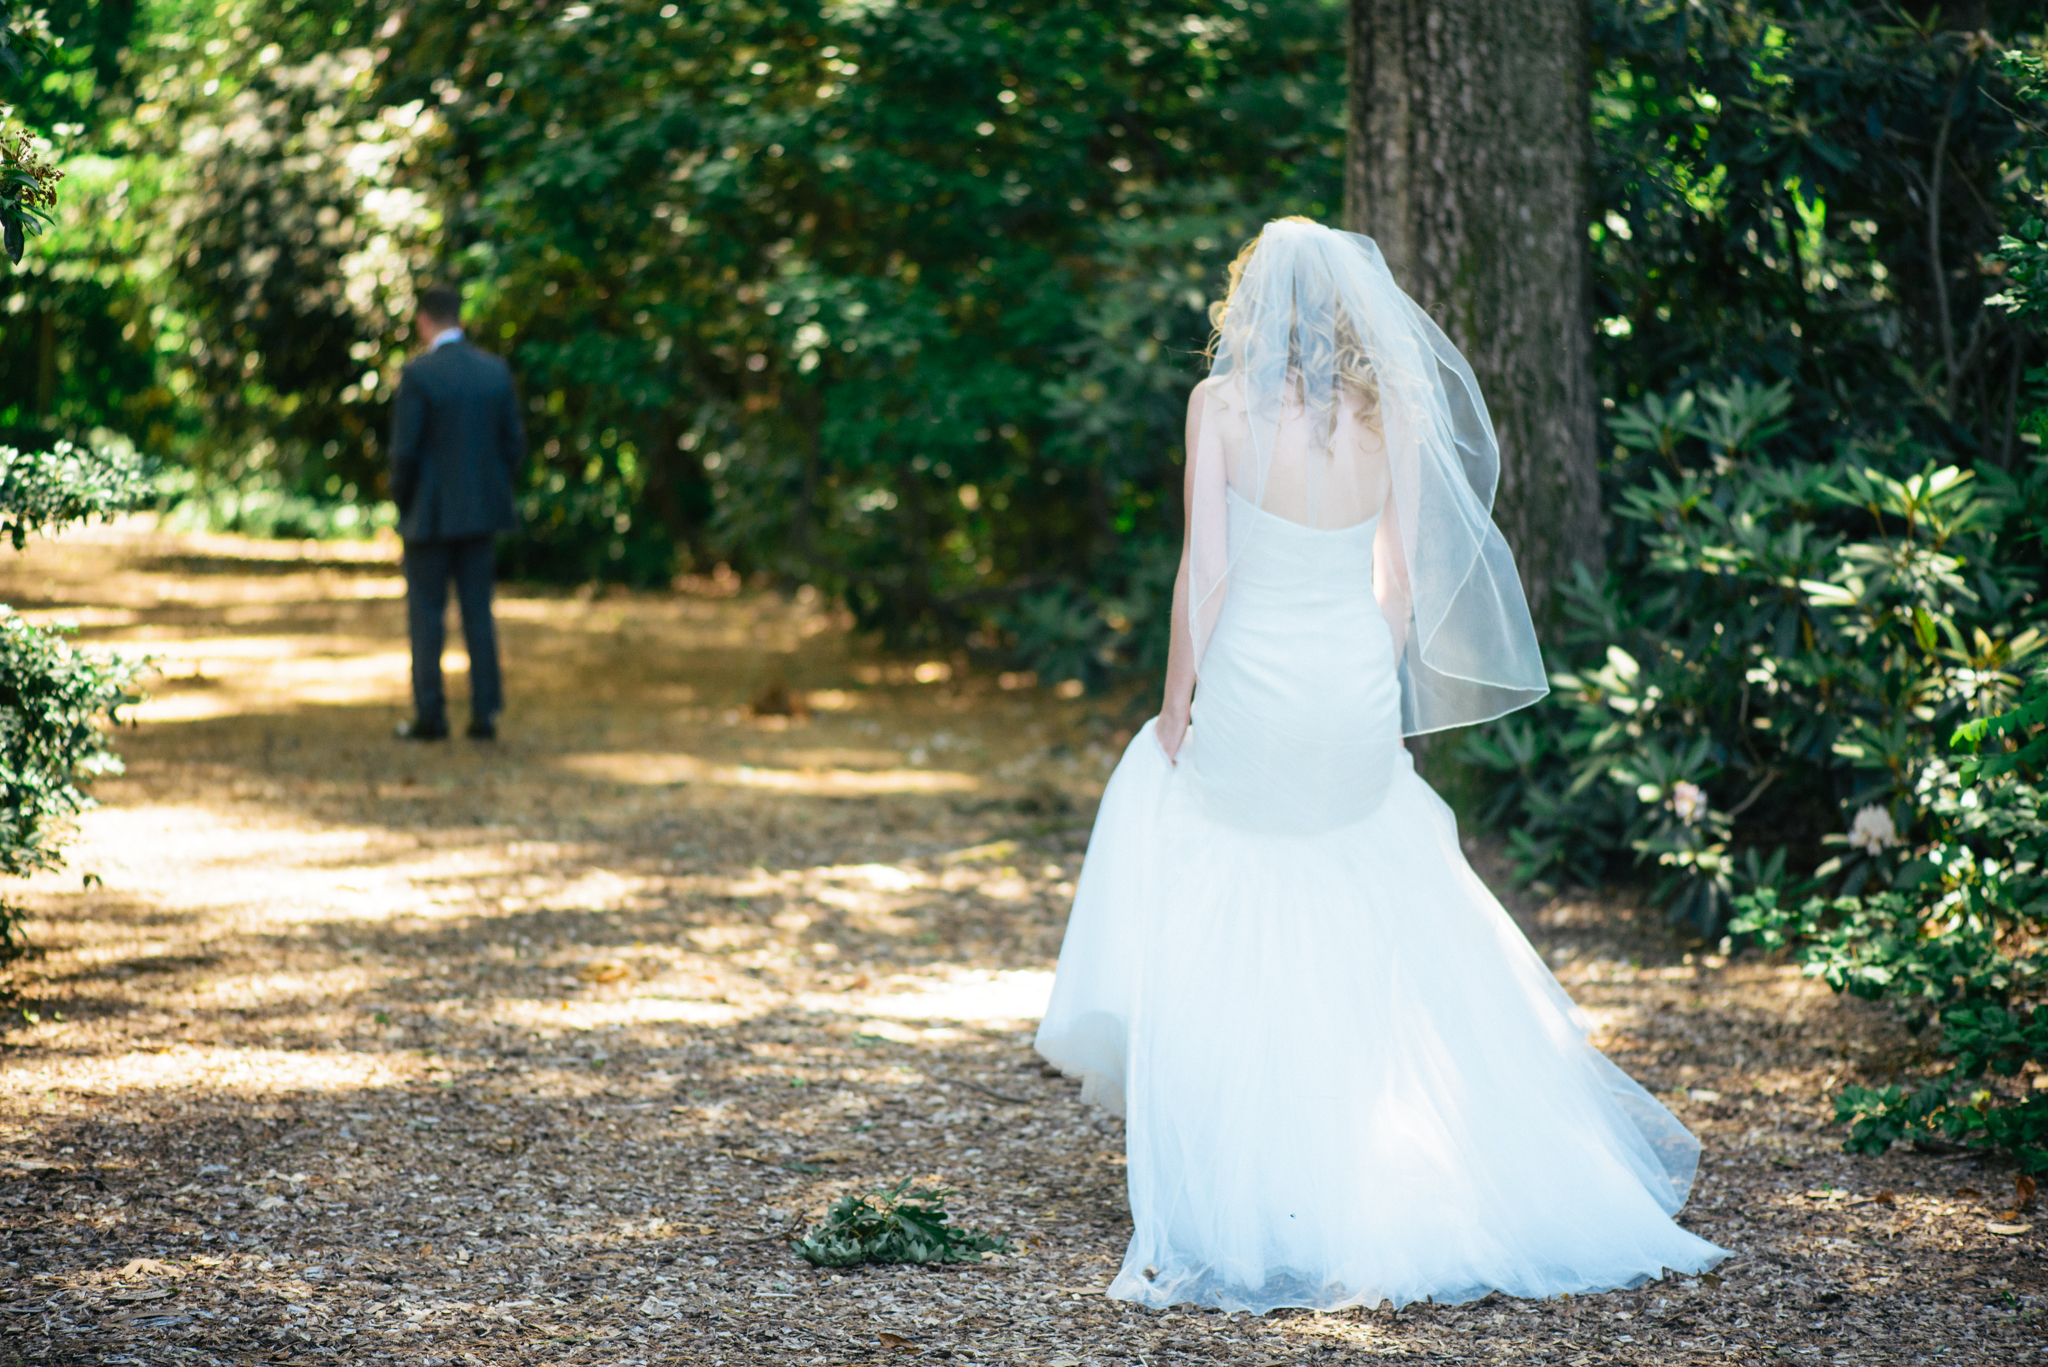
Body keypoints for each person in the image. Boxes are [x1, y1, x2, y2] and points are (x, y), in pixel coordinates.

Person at [1035, 218, 1727, 1313]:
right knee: (1367, 866)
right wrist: (1374, 685)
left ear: (1248, 309)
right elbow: (1399, 575)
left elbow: (1203, 575)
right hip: (1349, 682)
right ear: (1357, 316)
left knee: (1178, 814)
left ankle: (1248, 1143)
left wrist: (1177, 701)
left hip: (1255, 679)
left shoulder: (1214, 408)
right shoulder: (1388, 409)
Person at [388, 283, 527, 742]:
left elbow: (403, 453)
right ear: (459, 318)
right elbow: (515, 447)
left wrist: (402, 503)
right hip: (481, 513)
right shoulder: (494, 372)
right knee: (478, 614)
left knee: (426, 616)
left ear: (424, 321)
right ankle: (484, 713)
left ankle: (432, 714)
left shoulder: (419, 375)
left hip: (429, 516)